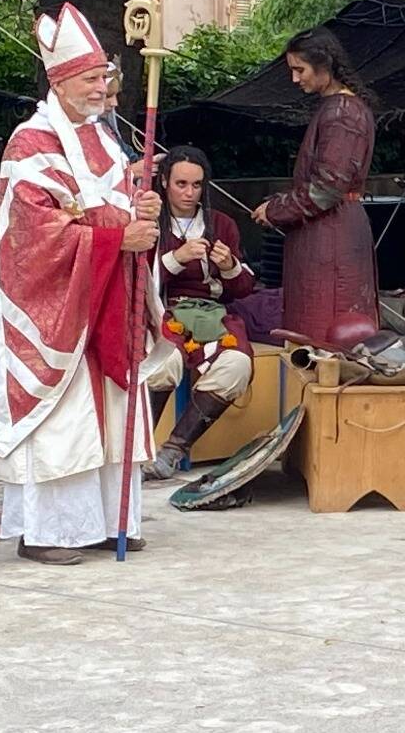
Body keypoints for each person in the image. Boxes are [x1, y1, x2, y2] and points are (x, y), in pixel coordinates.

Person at [0, 4, 169, 563]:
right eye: (91, 78)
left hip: (107, 302)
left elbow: (113, 206)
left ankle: (108, 522)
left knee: (112, 415)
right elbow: (34, 235)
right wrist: (118, 238)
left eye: (103, 77)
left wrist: (145, 210)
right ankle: (49, 533)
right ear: (61, 81)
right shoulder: (29, 143)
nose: (100, 88)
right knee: (65, 422)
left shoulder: (101, 140)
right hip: (60, 309)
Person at [251, 27, 378, 351]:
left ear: (325, 64)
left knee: (327, 339)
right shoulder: (338, 108)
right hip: (327, 235)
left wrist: (276, 209)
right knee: (316, 340)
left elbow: (326, 188)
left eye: (300, 69)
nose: (295, 79)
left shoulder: (343, 112)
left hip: (331, 240)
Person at [145, 145, 258, 478]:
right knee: (162, 364)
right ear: (164, 181)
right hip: (164, 312)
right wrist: (175, 259)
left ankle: (173, 449)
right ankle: (139, 451)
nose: (189, 192)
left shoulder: (221, 224)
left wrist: (230, 266)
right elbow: (135, 282)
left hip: (213, 315)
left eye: (196, 185)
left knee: (237, 366)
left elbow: (243, 288)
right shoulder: (150, 222)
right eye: (181, 184)